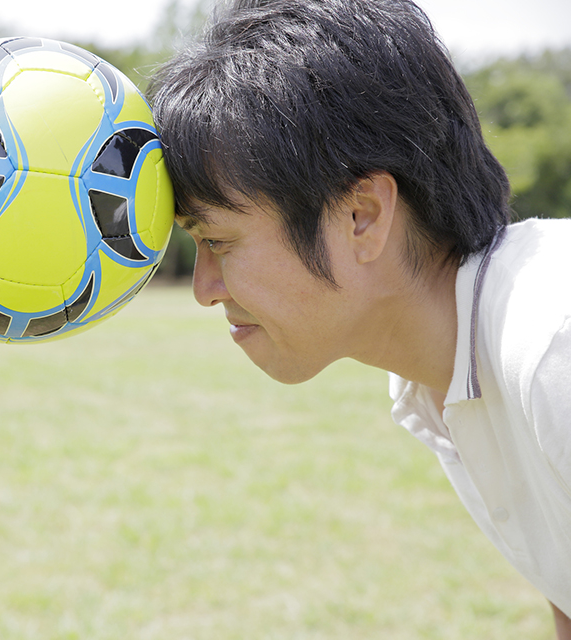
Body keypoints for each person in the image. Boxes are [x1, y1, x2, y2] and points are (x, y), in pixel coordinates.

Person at [148, 0, 571, 636]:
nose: (205, 289)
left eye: (220, 242)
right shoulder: (438, 377)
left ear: (362, 216)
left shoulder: (550, 343)